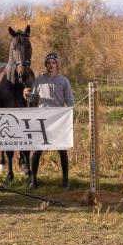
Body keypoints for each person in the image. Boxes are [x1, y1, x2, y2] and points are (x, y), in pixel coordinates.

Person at [23, 53, 74, 189]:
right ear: (46, 65)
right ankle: (33, 180)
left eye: (53, 63)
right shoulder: (39, 80)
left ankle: (65, 180)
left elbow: (70, 101)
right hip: (42, 119)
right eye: (49, 63)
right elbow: (33, 100)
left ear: (57, 64)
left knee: (62, 150)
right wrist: (27, 95)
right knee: (37, 150)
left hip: (58, 120)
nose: (51, 65)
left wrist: (68, 116)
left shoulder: (64, 81)